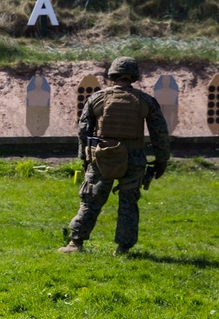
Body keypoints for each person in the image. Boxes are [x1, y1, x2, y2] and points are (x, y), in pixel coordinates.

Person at [60, 57, 170, 256]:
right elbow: (160, 133)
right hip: (134, 158)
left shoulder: (97, 98)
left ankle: (75, 244)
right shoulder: (145, 101)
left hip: (103, 157)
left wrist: (84, 158)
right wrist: (162, 160)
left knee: (91, 200)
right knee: (128, 202)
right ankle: (123, 248)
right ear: (134, 76)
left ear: (112, 74)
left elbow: (83, 131)